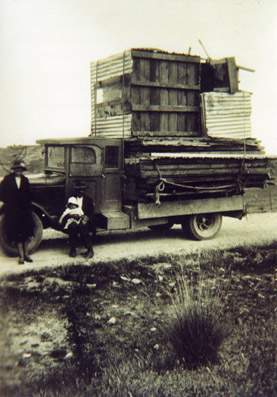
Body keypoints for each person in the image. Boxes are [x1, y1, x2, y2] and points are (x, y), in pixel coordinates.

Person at [0, 160, 34, 264]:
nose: (18, 171)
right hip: (13, 211)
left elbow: (29, 195)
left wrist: (28, 208)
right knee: (17, 234)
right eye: (17, 169)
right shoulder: (7, 180)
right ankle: (21, 257)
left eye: (20, 169)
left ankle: (27, 255)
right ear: (13, 170)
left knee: (26, 234)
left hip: (24, 211)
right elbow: (1, 193)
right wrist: (8, 202)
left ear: (23, 170)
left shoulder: (25, 180)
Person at [60, 183, 95, 259]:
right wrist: (71, 215)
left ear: (85, 190)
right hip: (73, 219)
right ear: (75, 190)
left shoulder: (88, 200)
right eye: (79, 190)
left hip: (84, 219)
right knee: (72, 226)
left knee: (83, 227)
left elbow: (92, 213)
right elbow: (65, 211)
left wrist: (86, 218)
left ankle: (90, 250)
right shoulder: (71, 200)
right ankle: (73, 249)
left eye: (82, 190)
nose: (81, 191)